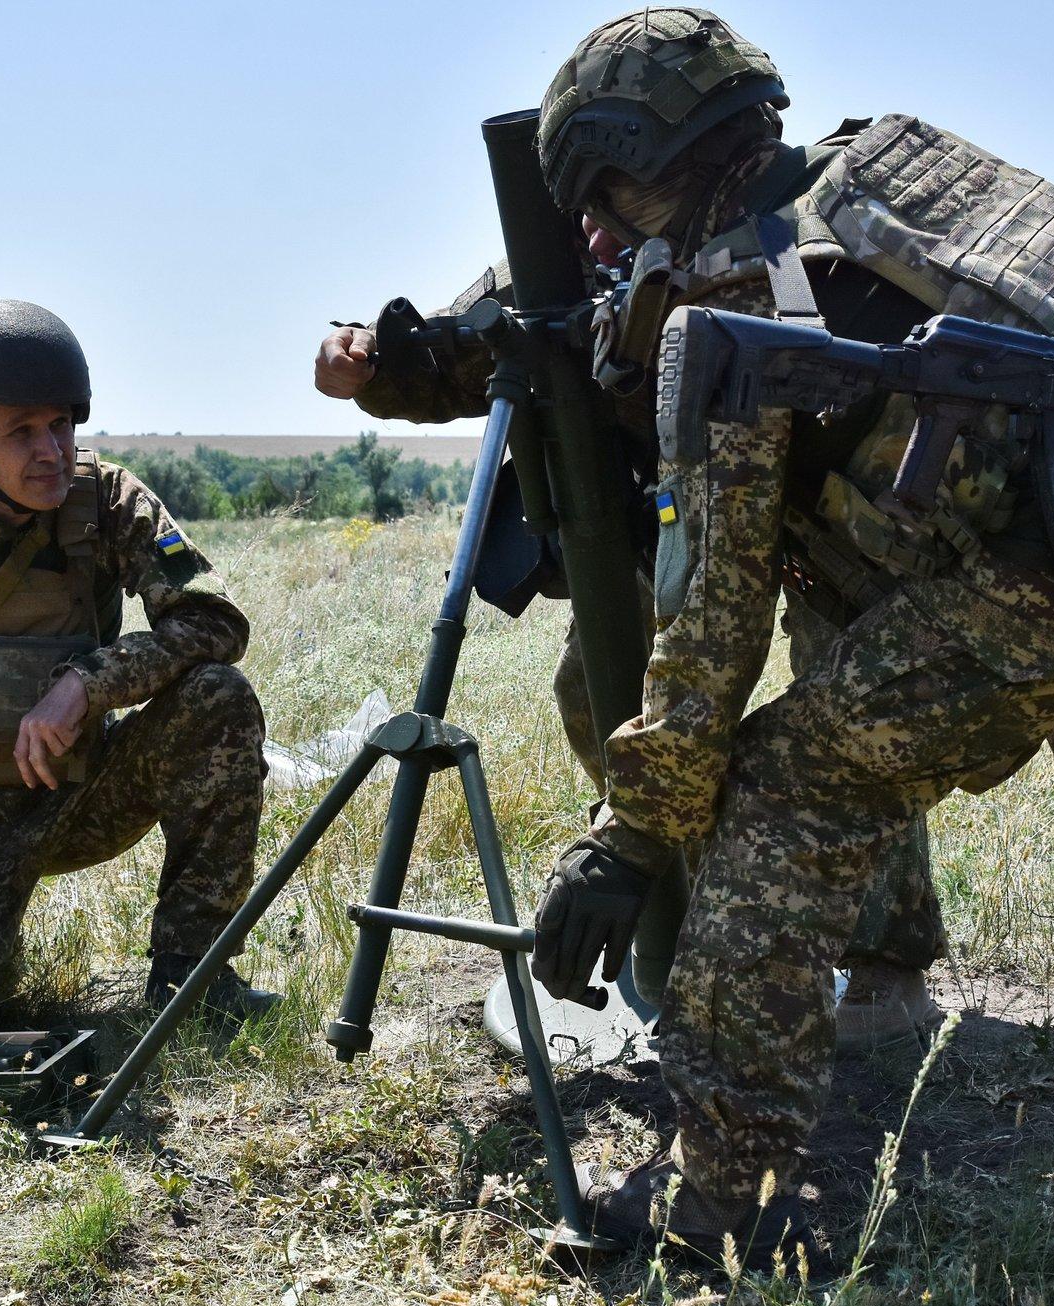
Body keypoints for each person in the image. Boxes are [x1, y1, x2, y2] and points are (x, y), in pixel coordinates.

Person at [477, 8, 1054, 1253]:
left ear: (656, 152)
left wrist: (630, 836)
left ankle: (717, 1198)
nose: (593, 233)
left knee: (781, 787)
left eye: (600, 193)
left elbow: (712, 623)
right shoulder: (883, 178)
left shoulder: (740, 296)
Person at [314, 162, 946, 1055]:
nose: (600, 233)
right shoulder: (554, 264)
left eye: (623, 202)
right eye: (588, 212)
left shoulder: (782, 234)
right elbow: (451, 359)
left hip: (821, 505)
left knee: (849, 707)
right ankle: (682, 918)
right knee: (596, 690)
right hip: (674, 511)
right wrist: (363, 361)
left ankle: (887, 964)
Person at [0, 299, 276, 1032]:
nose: (52, 451)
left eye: (61, 425)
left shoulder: (106, 502)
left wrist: (88, 684)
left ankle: (193, 977)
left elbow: (213, 620)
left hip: (87, 791)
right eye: (22, 432)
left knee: (218, 697)